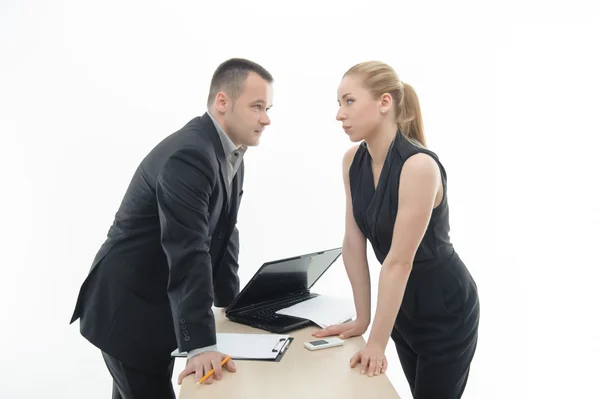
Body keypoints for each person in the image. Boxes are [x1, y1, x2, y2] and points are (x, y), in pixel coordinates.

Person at [69, 58, 274, 399]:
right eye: (257, 107)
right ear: (222, 102)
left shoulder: (231, 154)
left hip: (153, 309)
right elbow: (188, 249)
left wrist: (231, 308)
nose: (266, 119)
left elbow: (224, 233)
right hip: (128, 312)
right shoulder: (191, 155)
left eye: (267, 108)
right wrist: (202, 344)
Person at [313, 61, 480, 398]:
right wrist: (363, 319)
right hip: (401, 306)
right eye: (338, 103)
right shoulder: (352, 160)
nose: (339, 114)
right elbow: (354, 240)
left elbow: (399, 262)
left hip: (444, 309)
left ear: (384, 102)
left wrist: (376, 341)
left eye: (349, 101)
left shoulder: (419, 166)